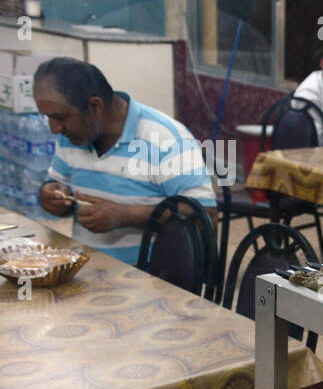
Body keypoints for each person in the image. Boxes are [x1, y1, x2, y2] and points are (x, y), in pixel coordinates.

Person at [34, 58, 217, 266]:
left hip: (150, 278)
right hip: (85, 269)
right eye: (48, 118)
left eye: (60, 118)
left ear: (95, 106)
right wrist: (52, 195)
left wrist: (126, 215)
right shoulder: (71, 136)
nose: (54, 129)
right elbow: (58, 185)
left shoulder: (165, 138)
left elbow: (206, 216)